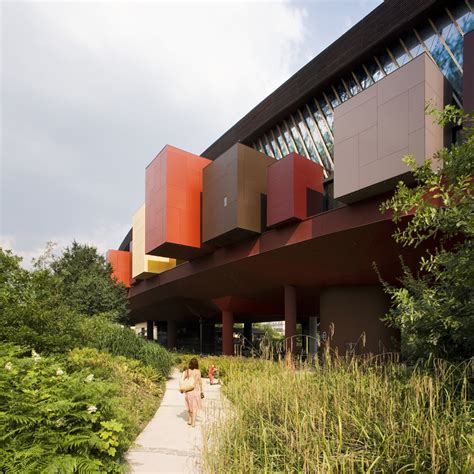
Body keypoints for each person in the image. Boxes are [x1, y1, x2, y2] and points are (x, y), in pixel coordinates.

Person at [181, 358, 203, 427]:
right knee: (194, 407)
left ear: (190, 363)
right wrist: (202, 391)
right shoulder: (198, 371)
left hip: (188, 391)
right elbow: (200, 382)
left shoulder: (187, 371)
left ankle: (190, 420)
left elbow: (182, 379)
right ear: (197, 364)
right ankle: (193, 422)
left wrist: (182, 388)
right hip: (196, 391)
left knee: (189, 406)